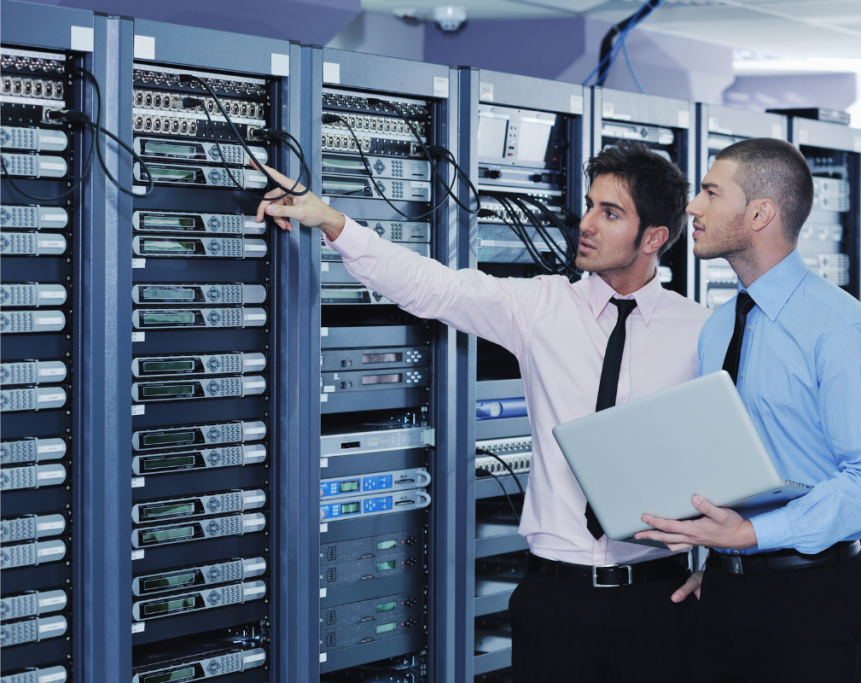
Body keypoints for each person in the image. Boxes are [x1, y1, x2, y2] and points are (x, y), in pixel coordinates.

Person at [255, 142, 711, 682]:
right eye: (589, 206)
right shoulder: (541, 306)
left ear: (654, 237)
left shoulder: (702, 330)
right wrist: (331, 220)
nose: (586, 224)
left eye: (610, 214)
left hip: (662, 600)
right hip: (556, 597)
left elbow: (732, 461)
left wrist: (723, 567)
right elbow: (432, 287)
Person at [635, 137, 861, 683]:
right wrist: (724, 559)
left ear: (760, 213)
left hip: (814, 598)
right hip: (726, 589)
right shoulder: (719, 327)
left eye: (711, 192)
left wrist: (752, 538)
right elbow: (736, 464)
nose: (692, 206)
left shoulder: (843, 331)